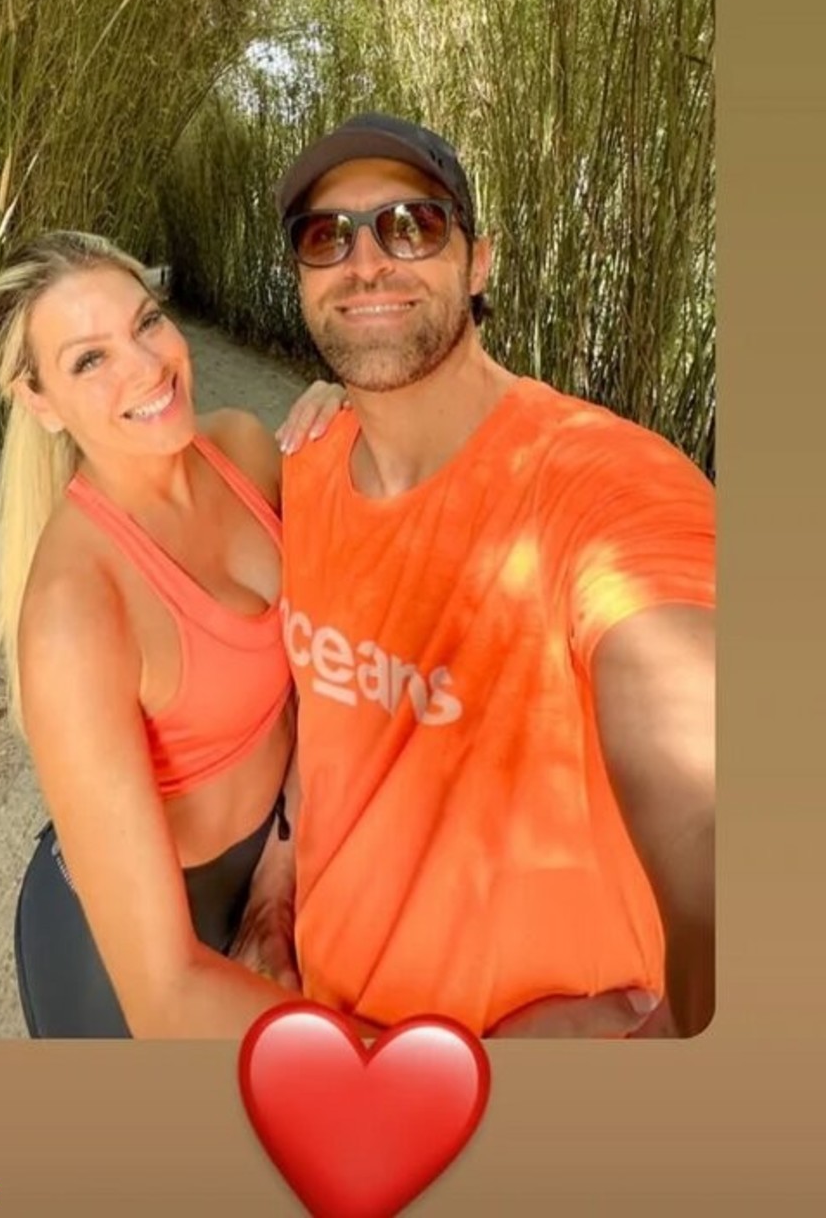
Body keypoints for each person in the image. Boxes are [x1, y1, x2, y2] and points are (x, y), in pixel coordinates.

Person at [237, 112, 715, 1040]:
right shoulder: (305, 467)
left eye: (410, 225)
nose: (366, 262)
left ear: (479, 262)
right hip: (329, 1042)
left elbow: (711, 824)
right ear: (301, 279)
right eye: (327, 237)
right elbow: (327, 719)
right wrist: (272, 891)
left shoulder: (607, 484)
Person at [0, 230, 344, 1038]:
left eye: (146, 321)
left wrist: (349, 421)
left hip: (276, 864)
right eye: (89, 360)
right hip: (140, 947)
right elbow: (165, 993)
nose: (146, 367)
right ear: (39, 400)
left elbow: (330, 663)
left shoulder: (245, 448)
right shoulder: (76, 610)